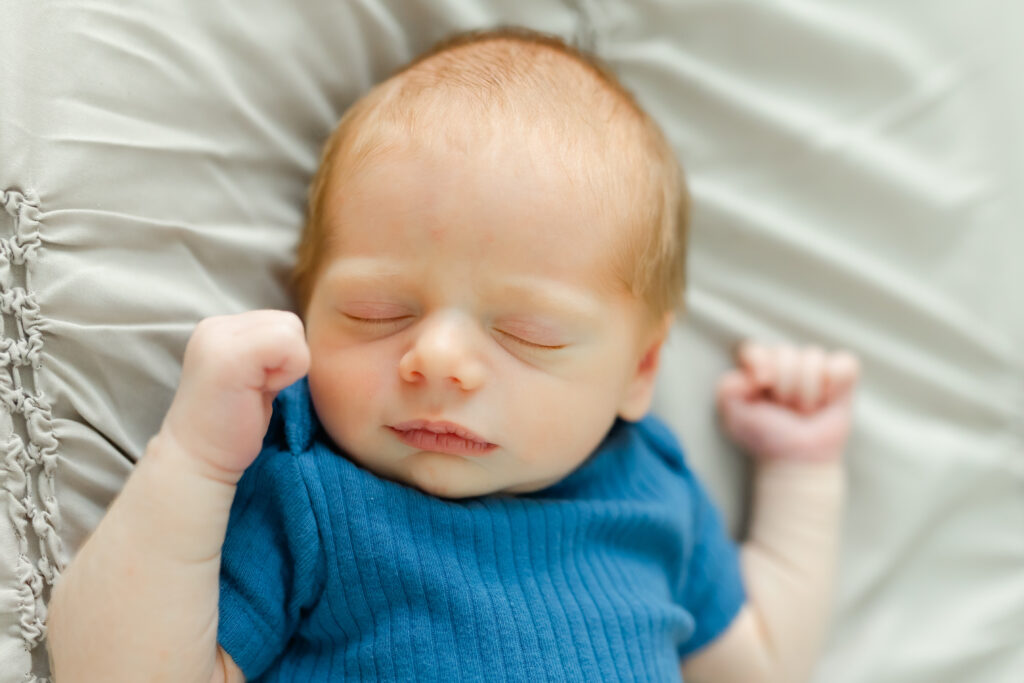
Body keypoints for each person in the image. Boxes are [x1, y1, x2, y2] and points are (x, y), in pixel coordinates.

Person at [47, 28, 860, 682]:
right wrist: (192, 460)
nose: (436, 360)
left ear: (640, 370)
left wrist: (803, 472)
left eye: (527, 332)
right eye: (377, 312)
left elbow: (762, 666)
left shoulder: (651, 492)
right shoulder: (308, 486)